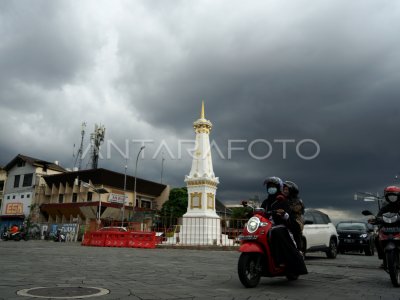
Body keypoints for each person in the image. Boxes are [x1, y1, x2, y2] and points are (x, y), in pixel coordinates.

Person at [261, 176, 308, 275]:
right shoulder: (265, 202)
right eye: (269, 186)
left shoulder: (284, 201)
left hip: (285, 225)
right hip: (267, 225)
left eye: (273, 186)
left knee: (278, 231)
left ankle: (284, 259)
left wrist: (284, 214)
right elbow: (261, 213)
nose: (271, 188)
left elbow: (290, 216)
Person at [372, 185, 400, 268]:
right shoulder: (385, 207)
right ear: (386, 196)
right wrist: (375, 219)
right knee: (377, 238)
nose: (392, 197)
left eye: (394, 195)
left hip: (399, 227)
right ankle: (384, 259)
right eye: (390, 195)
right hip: (386, 227)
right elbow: (378, 216)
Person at [283, 181, 305, 252]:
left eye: (287, 189)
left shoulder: (298, 201)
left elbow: (295, 209)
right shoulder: (282, 199)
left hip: (295, 223)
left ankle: (298, 252)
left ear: (292, 191)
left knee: (296, 239)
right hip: (284, 222)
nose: (285, 191)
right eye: (284, 189)